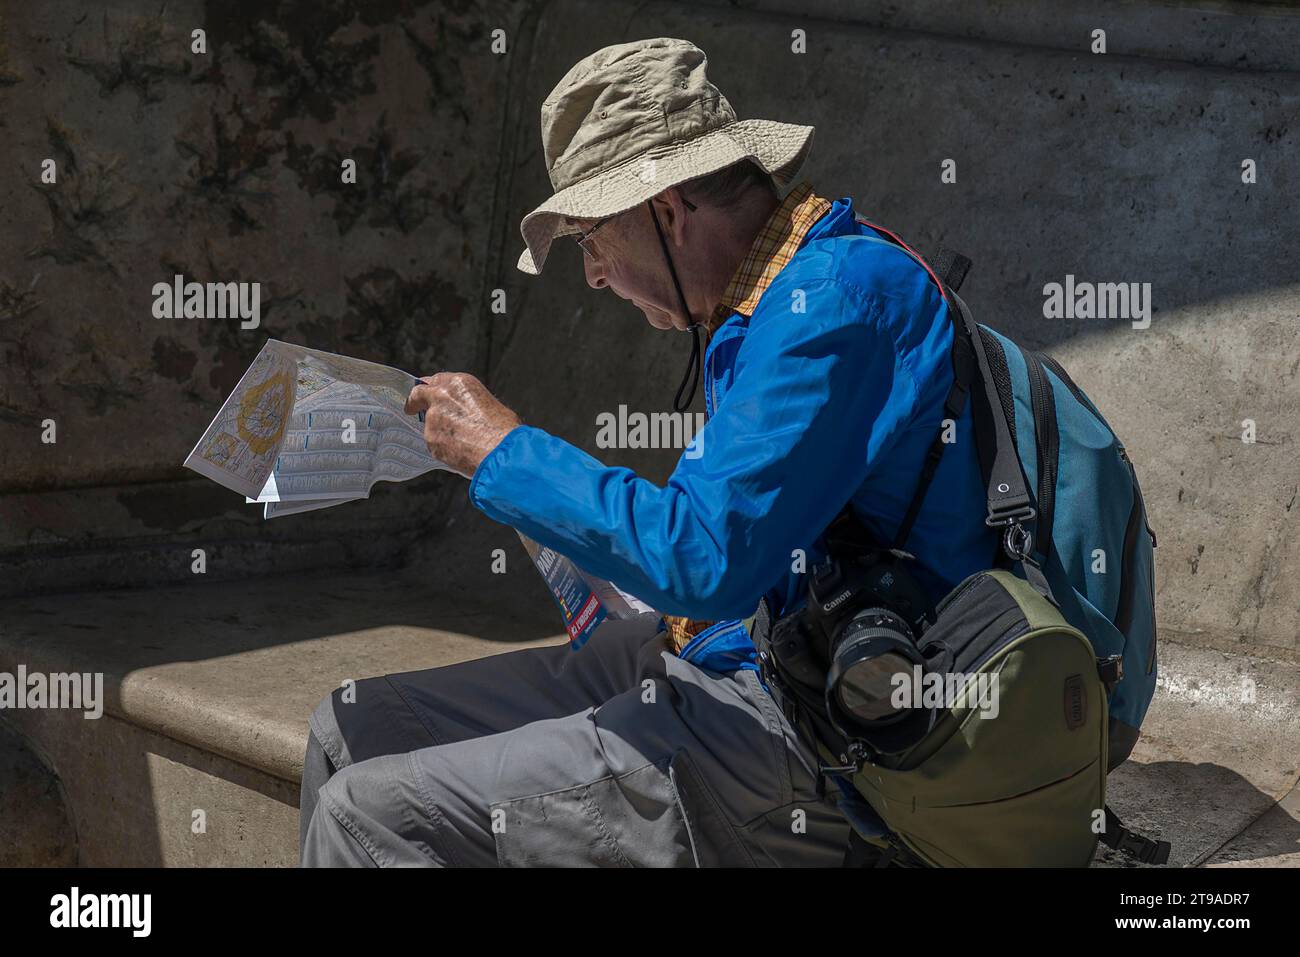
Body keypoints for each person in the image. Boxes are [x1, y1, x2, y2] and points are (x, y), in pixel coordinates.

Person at [298, 36, 996, 867]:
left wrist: (504, 451)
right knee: (348, 728)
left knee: (364, 818)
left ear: (664, 211)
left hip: (832, 728)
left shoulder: (833, 307)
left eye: (592, 240)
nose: (594, 276)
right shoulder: (771, 300)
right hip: (755, 646)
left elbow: (704, 558)